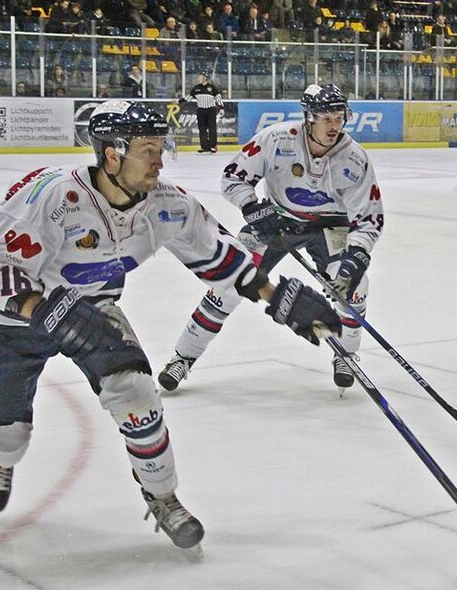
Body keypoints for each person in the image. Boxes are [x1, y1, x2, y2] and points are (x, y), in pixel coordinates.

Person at [0, 100, 340, 552]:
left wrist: (279, 298)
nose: (160, 160)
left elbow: (224, 259)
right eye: (148, 149)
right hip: (12, 319)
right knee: (5, 439)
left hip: (94, 307)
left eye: (162, 148)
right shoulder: (52, 196)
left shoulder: (168, 204)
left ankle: (163, 497)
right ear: (112, 154)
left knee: (137, 394)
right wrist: (49, 313)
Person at [157, 83, 383, 394]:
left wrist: (358, 255)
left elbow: (369, 218)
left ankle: (346, 354)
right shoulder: (276, 139)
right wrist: (251, 206)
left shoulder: (355, 158)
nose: (335, 125)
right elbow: (233, 177)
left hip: (331, 226)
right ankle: (183, 357)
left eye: (339, 117)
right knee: (228, 284)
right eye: (326, 118)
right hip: (275, 222)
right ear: (309, 118)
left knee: (355, 286)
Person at [187, 72, 223, 154]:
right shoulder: (196, 88)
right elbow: (189, 97)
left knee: (212, 128)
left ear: (205, 78)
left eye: (199, 77)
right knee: (202, 129)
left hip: (211, 110)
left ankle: (212, 146)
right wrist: (179, 101)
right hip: (201, 111)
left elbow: (218, 98)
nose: (198, 79)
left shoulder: (212, 87)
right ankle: (204, 147)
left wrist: (221, 107)